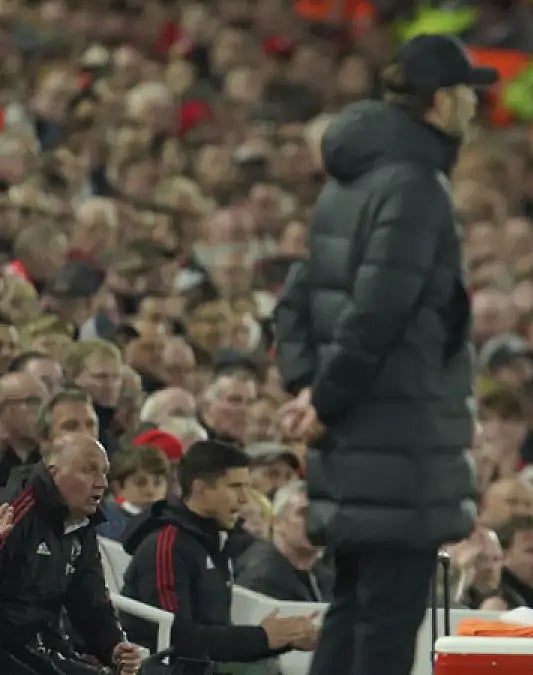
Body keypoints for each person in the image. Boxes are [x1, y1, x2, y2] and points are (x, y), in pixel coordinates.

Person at [272, 34, 498, 675]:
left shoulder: (350, 183)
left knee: (352, 613)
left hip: (356, 446)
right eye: (467, 95)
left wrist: (307, 390)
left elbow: (296, 299)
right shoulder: (415, 184)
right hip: (397, 444)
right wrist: (322, 399)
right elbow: (379, 312)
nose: (475, 109)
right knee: (387, 630)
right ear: (440, 101)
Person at [119, 440, 318, 664]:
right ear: (200, 489)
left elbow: (212, 639)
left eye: (247, 487)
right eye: (235, 487)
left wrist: (280, 638)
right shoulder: (167, 545)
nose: (244, 499)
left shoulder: (215, 540)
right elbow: (175, 639)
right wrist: (262, 638)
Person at [0, 432, 142, 675]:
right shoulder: (16, 510)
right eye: (89, 470)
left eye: (105, 473)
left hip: (45, 646)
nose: (102, 483)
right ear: (53, 472)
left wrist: (113, 646)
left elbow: (90, 602)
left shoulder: (81, 525)